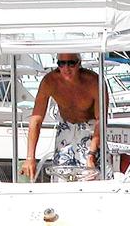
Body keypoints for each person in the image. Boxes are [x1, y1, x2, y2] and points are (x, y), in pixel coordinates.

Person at [22, 52, 107, 181]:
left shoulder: (94, 82)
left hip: (90, 130)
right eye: (62, 64)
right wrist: (30, 157)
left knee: (93, 176)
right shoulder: (49, 82)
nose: (66, 68)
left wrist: (91, 154)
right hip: (65, 127)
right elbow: (36, 119)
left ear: (79, 63)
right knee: (61, 177)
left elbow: (101, 121)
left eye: (71, 63)